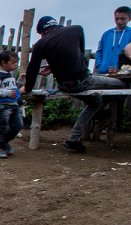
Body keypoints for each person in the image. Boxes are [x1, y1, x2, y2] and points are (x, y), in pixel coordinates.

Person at [23, 16, 127, 153]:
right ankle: (99, 111)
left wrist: (27, 88)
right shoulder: (76, 30)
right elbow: (79, 53)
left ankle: (74, 139)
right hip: (83, 81)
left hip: (64, 85)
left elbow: (32, 69)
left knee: (95, 102)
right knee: (122, 85)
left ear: (43, 31)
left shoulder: (41, 43)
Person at [0, 50, 23, 158]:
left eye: (16, 62)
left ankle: (4, 143)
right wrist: (7, 93)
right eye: (13, 62)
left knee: (18, 126)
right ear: (4, 63)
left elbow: (13, 88)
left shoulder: (10, 76)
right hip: (3, 106)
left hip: (14, 105)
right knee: (3, 127)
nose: (15, 65)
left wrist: (20, 81)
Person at [94, 6, 131, 75]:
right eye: (117, 19)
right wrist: (99, 65)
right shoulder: (107, 34)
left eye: (123, 19)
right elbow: (99, 51)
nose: (119, 21)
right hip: (104, 72)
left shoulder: (130, 33)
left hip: (122, 73)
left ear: (129, 18)